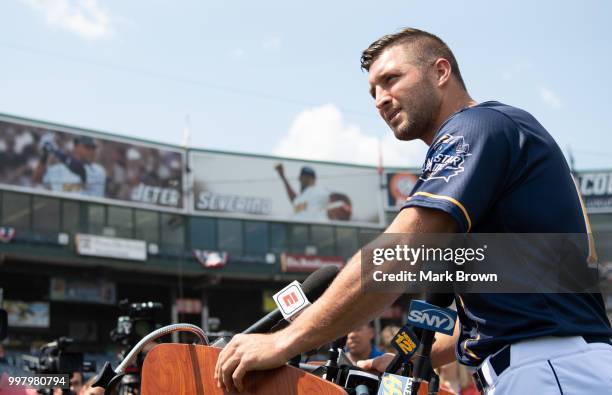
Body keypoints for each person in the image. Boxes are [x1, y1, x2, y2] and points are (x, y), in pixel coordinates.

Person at [215, 27, 612, 394]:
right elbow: (489, 319)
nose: (380, 99)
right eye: (372, 91)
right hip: (550, 364)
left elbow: (400, 253)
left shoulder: (477, 126)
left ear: (441, 71)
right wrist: (401, 358)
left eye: (391, 79)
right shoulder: (494, 139)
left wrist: (286, 339)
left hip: (549, 367)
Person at [33, 134, 106, 197]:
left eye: (93, 148)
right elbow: (37, 180)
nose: (91, 151)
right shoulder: (58, 169)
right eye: (87, 147)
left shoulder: (98, 171)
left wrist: (54, 150)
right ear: (76, 147)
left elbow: (80, 169)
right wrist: (44, 155)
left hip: (86, 211)